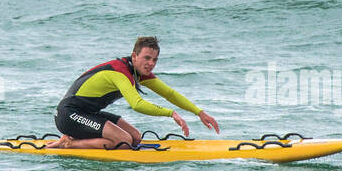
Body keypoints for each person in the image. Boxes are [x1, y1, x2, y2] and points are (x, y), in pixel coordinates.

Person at [44, 36, 219, 149]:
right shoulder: (120, 73)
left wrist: (200, 113)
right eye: (147, 58)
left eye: (155, 60)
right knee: (123, 141)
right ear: (134, 57)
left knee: (135, 137)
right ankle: (70, 143)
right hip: (69, 115)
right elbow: (137, 104)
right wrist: (170, 113)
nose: (151, 63)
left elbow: (170, 94)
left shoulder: (138, 73)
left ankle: (75, 141)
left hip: (88, 113)